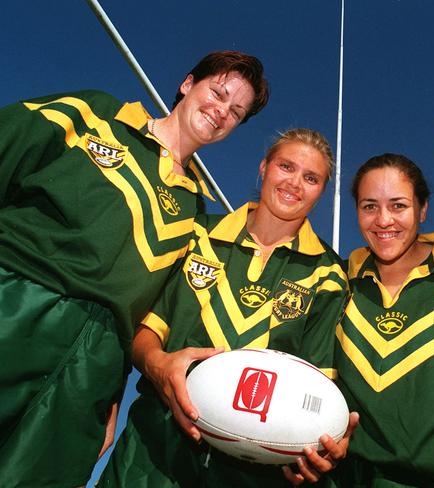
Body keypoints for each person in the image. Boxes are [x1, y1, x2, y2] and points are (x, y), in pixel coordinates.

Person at [0, 50, 269, 487]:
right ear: (187, 83)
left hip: (91, 369)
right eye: (217, 93)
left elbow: (147, 310)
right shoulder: (95, 114)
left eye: (236, 112)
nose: (221, 112)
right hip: (17, 302)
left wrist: (111, 394)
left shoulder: (196, 213)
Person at [98, 128, 353, 487]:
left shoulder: (328, 275)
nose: (295, 183)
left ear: (322, 190)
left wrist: (324, 441)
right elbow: (147, 331)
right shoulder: (197, 234)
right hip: (153, 449)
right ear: (264, 167)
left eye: (311, 178)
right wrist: (158, 364)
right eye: (286, 166)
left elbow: (318, 387)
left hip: (254, 472)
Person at [323, 154, 434, 487]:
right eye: (369, 207)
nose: (383, 220)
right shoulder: (338, 280)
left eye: (398, 206)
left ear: (422, 209)